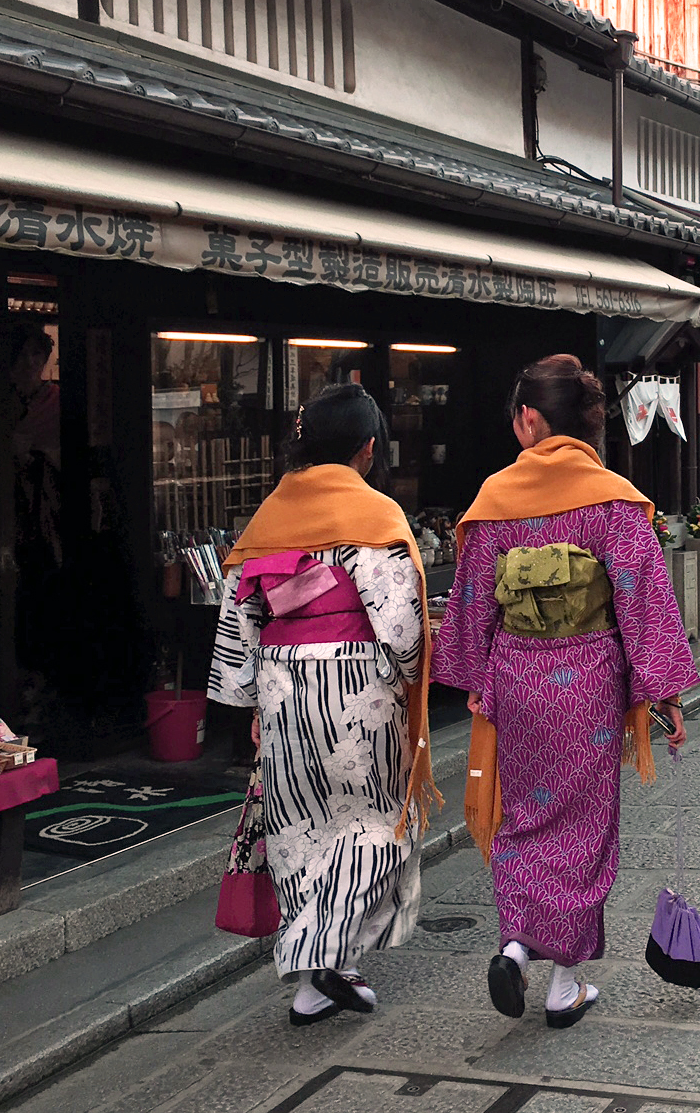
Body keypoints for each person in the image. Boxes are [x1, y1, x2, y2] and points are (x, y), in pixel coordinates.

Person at [434, 355, 699, 1030]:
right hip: (588, 680)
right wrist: (664, 691)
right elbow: (643, 601)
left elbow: (470, 610)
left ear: (528, 421)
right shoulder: (611, 497)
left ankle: (517, 945)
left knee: (524, 816)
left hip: (518, 676)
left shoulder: (494, 501)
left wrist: (474, 679)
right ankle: (563, 982)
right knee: (583, 825)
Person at [207, 384, 437, 1026]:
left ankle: (316, 983)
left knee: (300, 830)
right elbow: (400, 627)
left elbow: (239, 623)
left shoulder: (267, 519)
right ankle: (323, 953)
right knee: (371, 825)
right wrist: (418, 673)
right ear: (367, 449)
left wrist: (249, 701)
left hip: (281, 687)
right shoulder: (375, 518)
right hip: (359, 688)